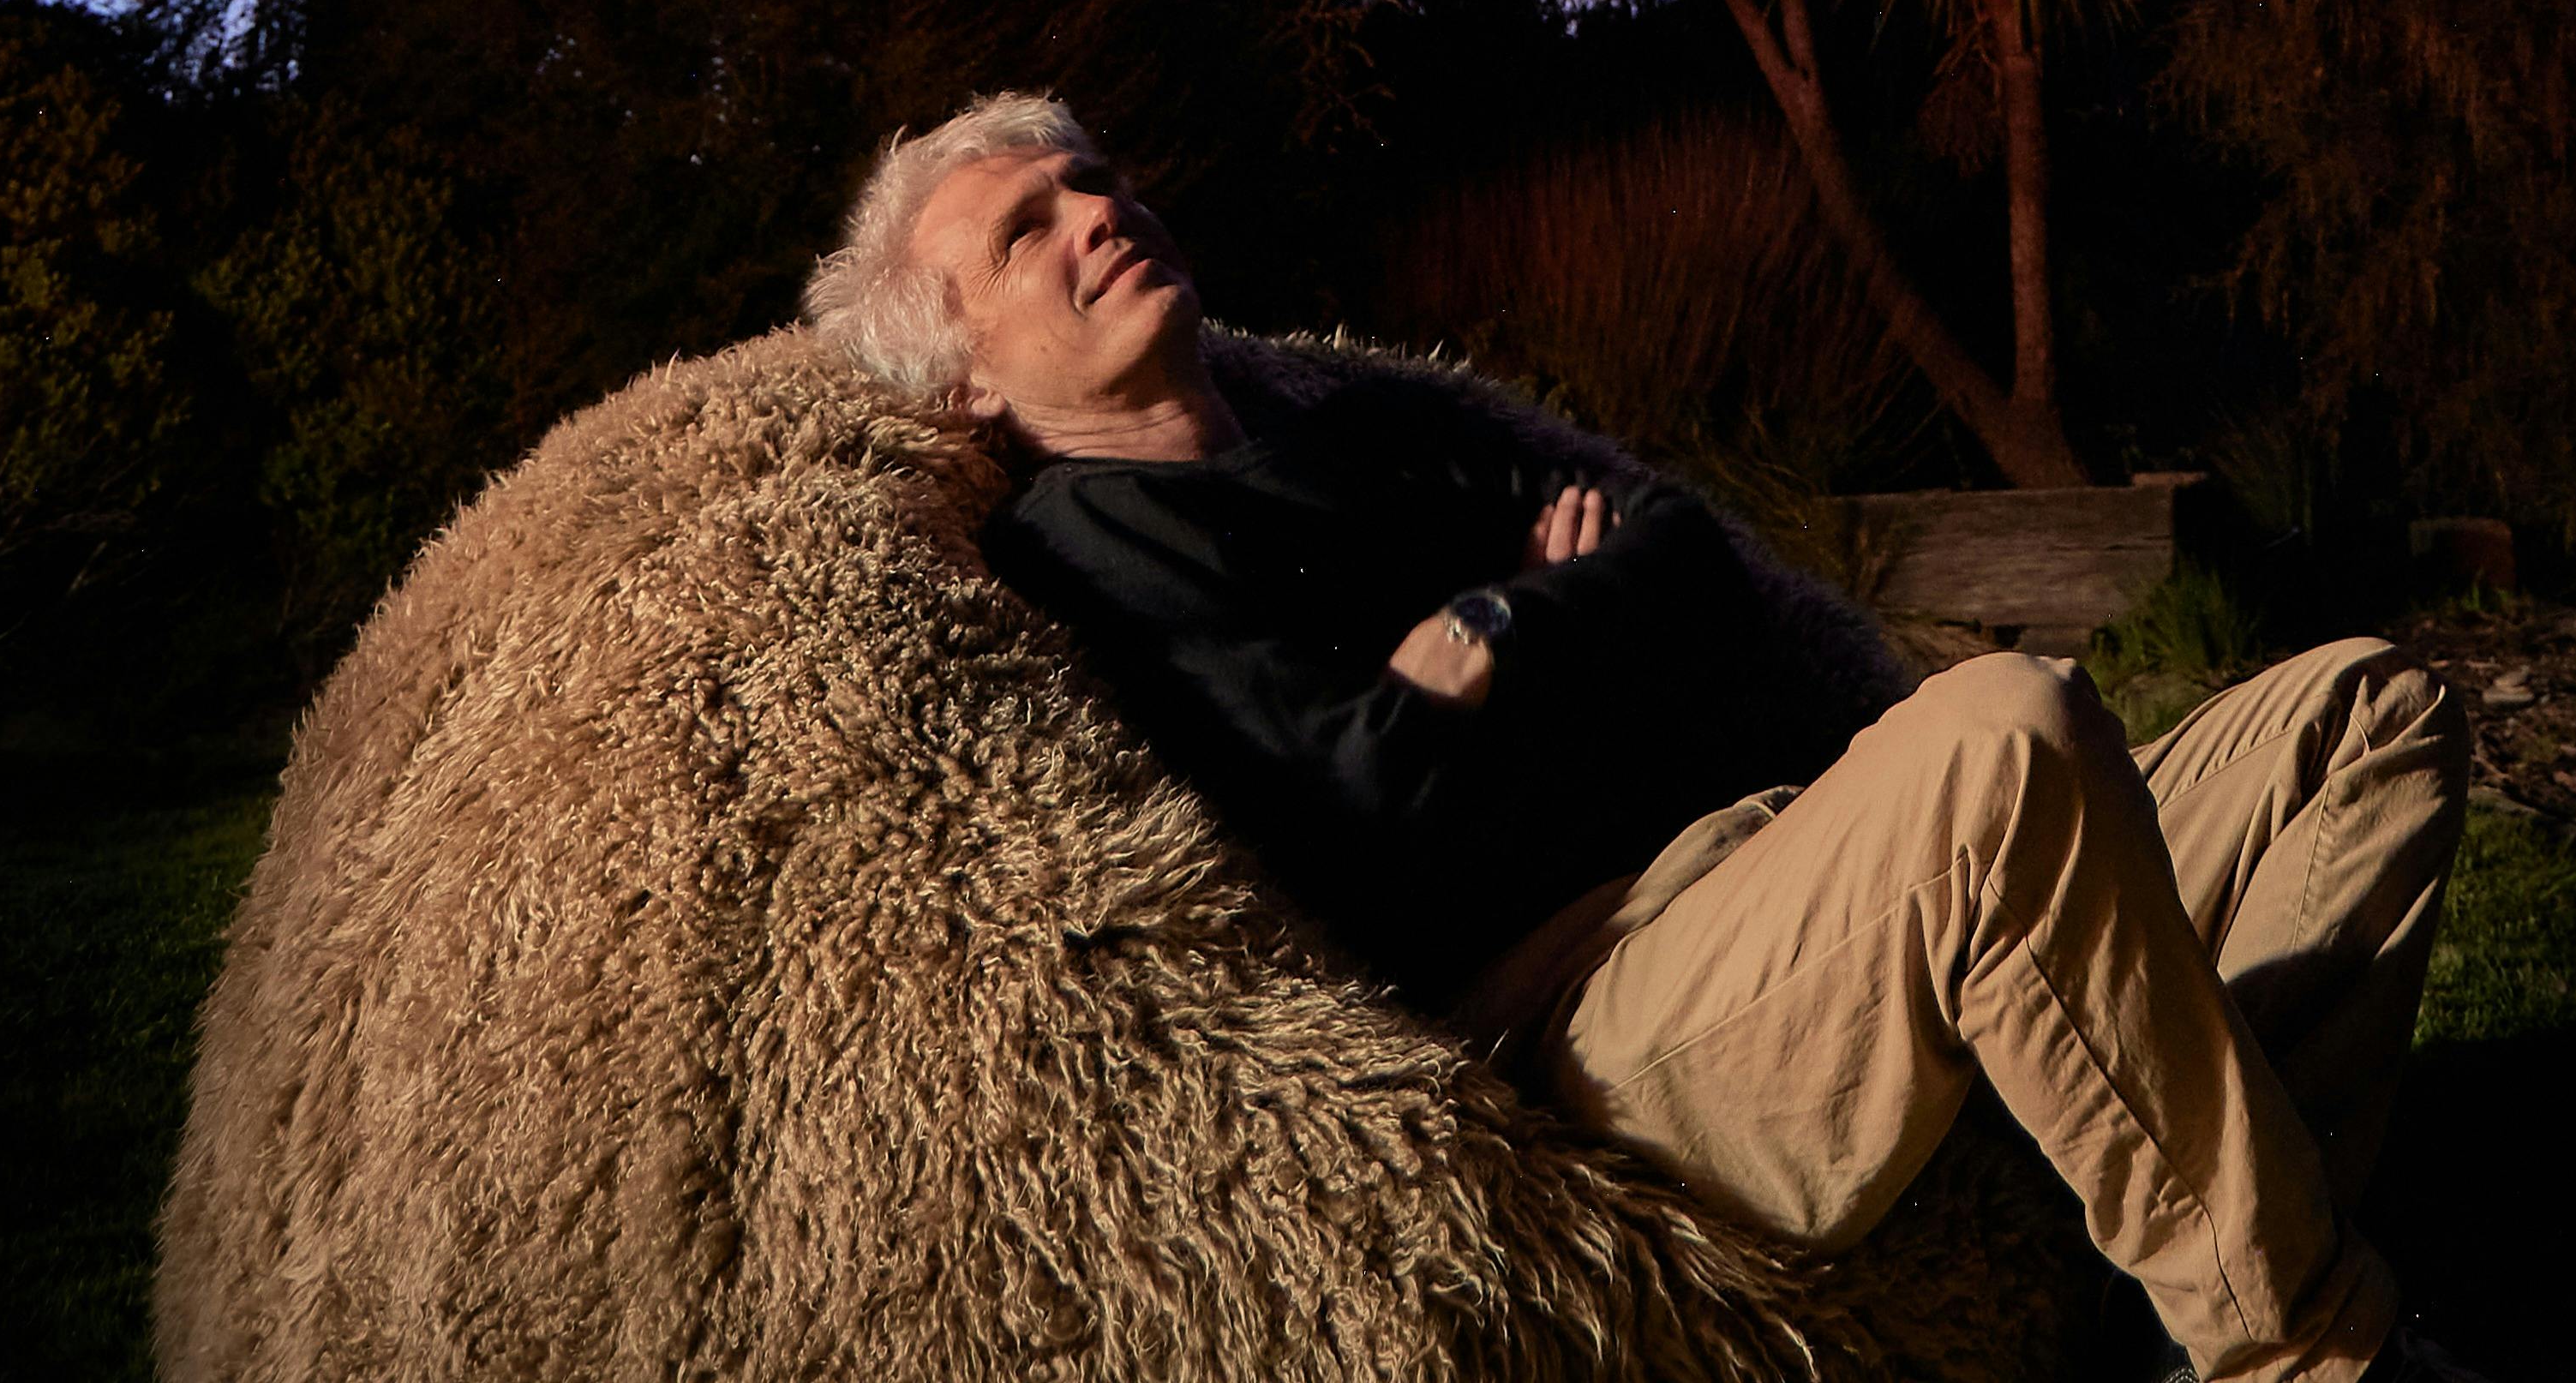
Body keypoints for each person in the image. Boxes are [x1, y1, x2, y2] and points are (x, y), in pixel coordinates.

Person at [804, 93, 2484, 1383]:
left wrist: (1484, 638)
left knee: (2359, 711)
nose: (1096, 208)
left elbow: (1665, 547)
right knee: (2004, 738)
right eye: (1028, 226)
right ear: (962, 382)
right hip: (1596, 1014)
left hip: (1778, 858)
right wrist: (1530, 630)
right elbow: (1349, 805)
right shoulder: (1083, 551)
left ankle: (2177, 1282)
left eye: (1096, 178)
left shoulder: (1365, 425)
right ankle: (2310, 1354)